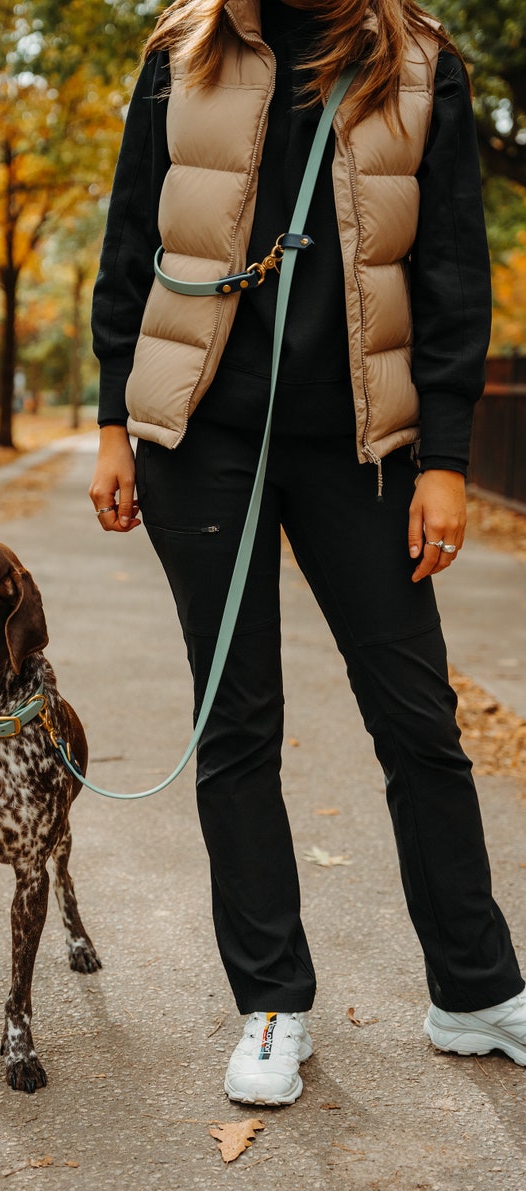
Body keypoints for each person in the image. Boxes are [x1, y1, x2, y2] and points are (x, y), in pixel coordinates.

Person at [88, 0, 525, 1107]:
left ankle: (472, 989)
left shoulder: (419, 61)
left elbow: (452, 263)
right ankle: (271, 1005)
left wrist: (441, 455)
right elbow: (131, 236)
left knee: (416, 719)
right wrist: (110, 426)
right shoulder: (178, 53)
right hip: (202, 437)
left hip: (363, 448)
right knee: (235, 722)